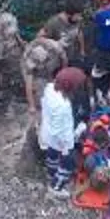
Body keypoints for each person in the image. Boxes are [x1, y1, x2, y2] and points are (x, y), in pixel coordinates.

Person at [38, 67, 87, 198]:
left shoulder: (49, 88)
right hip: (61, 138)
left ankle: (51, 172)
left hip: (47, 131)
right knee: (69, 162)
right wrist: (73, 138)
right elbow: (59, 131)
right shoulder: (63, 105)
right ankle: (56, 186)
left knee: (52, 153)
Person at [21, 33, 67, 127]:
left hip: (52, 69)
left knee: (54, 91)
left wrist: (62, 74)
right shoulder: (30, 58)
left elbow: (64, 59)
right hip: (39, 75)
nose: (41, 63)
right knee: (39, 91)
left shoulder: (55, 47)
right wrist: (32, 106)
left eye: (43, 61)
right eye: (39, 62)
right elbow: (28, 84)